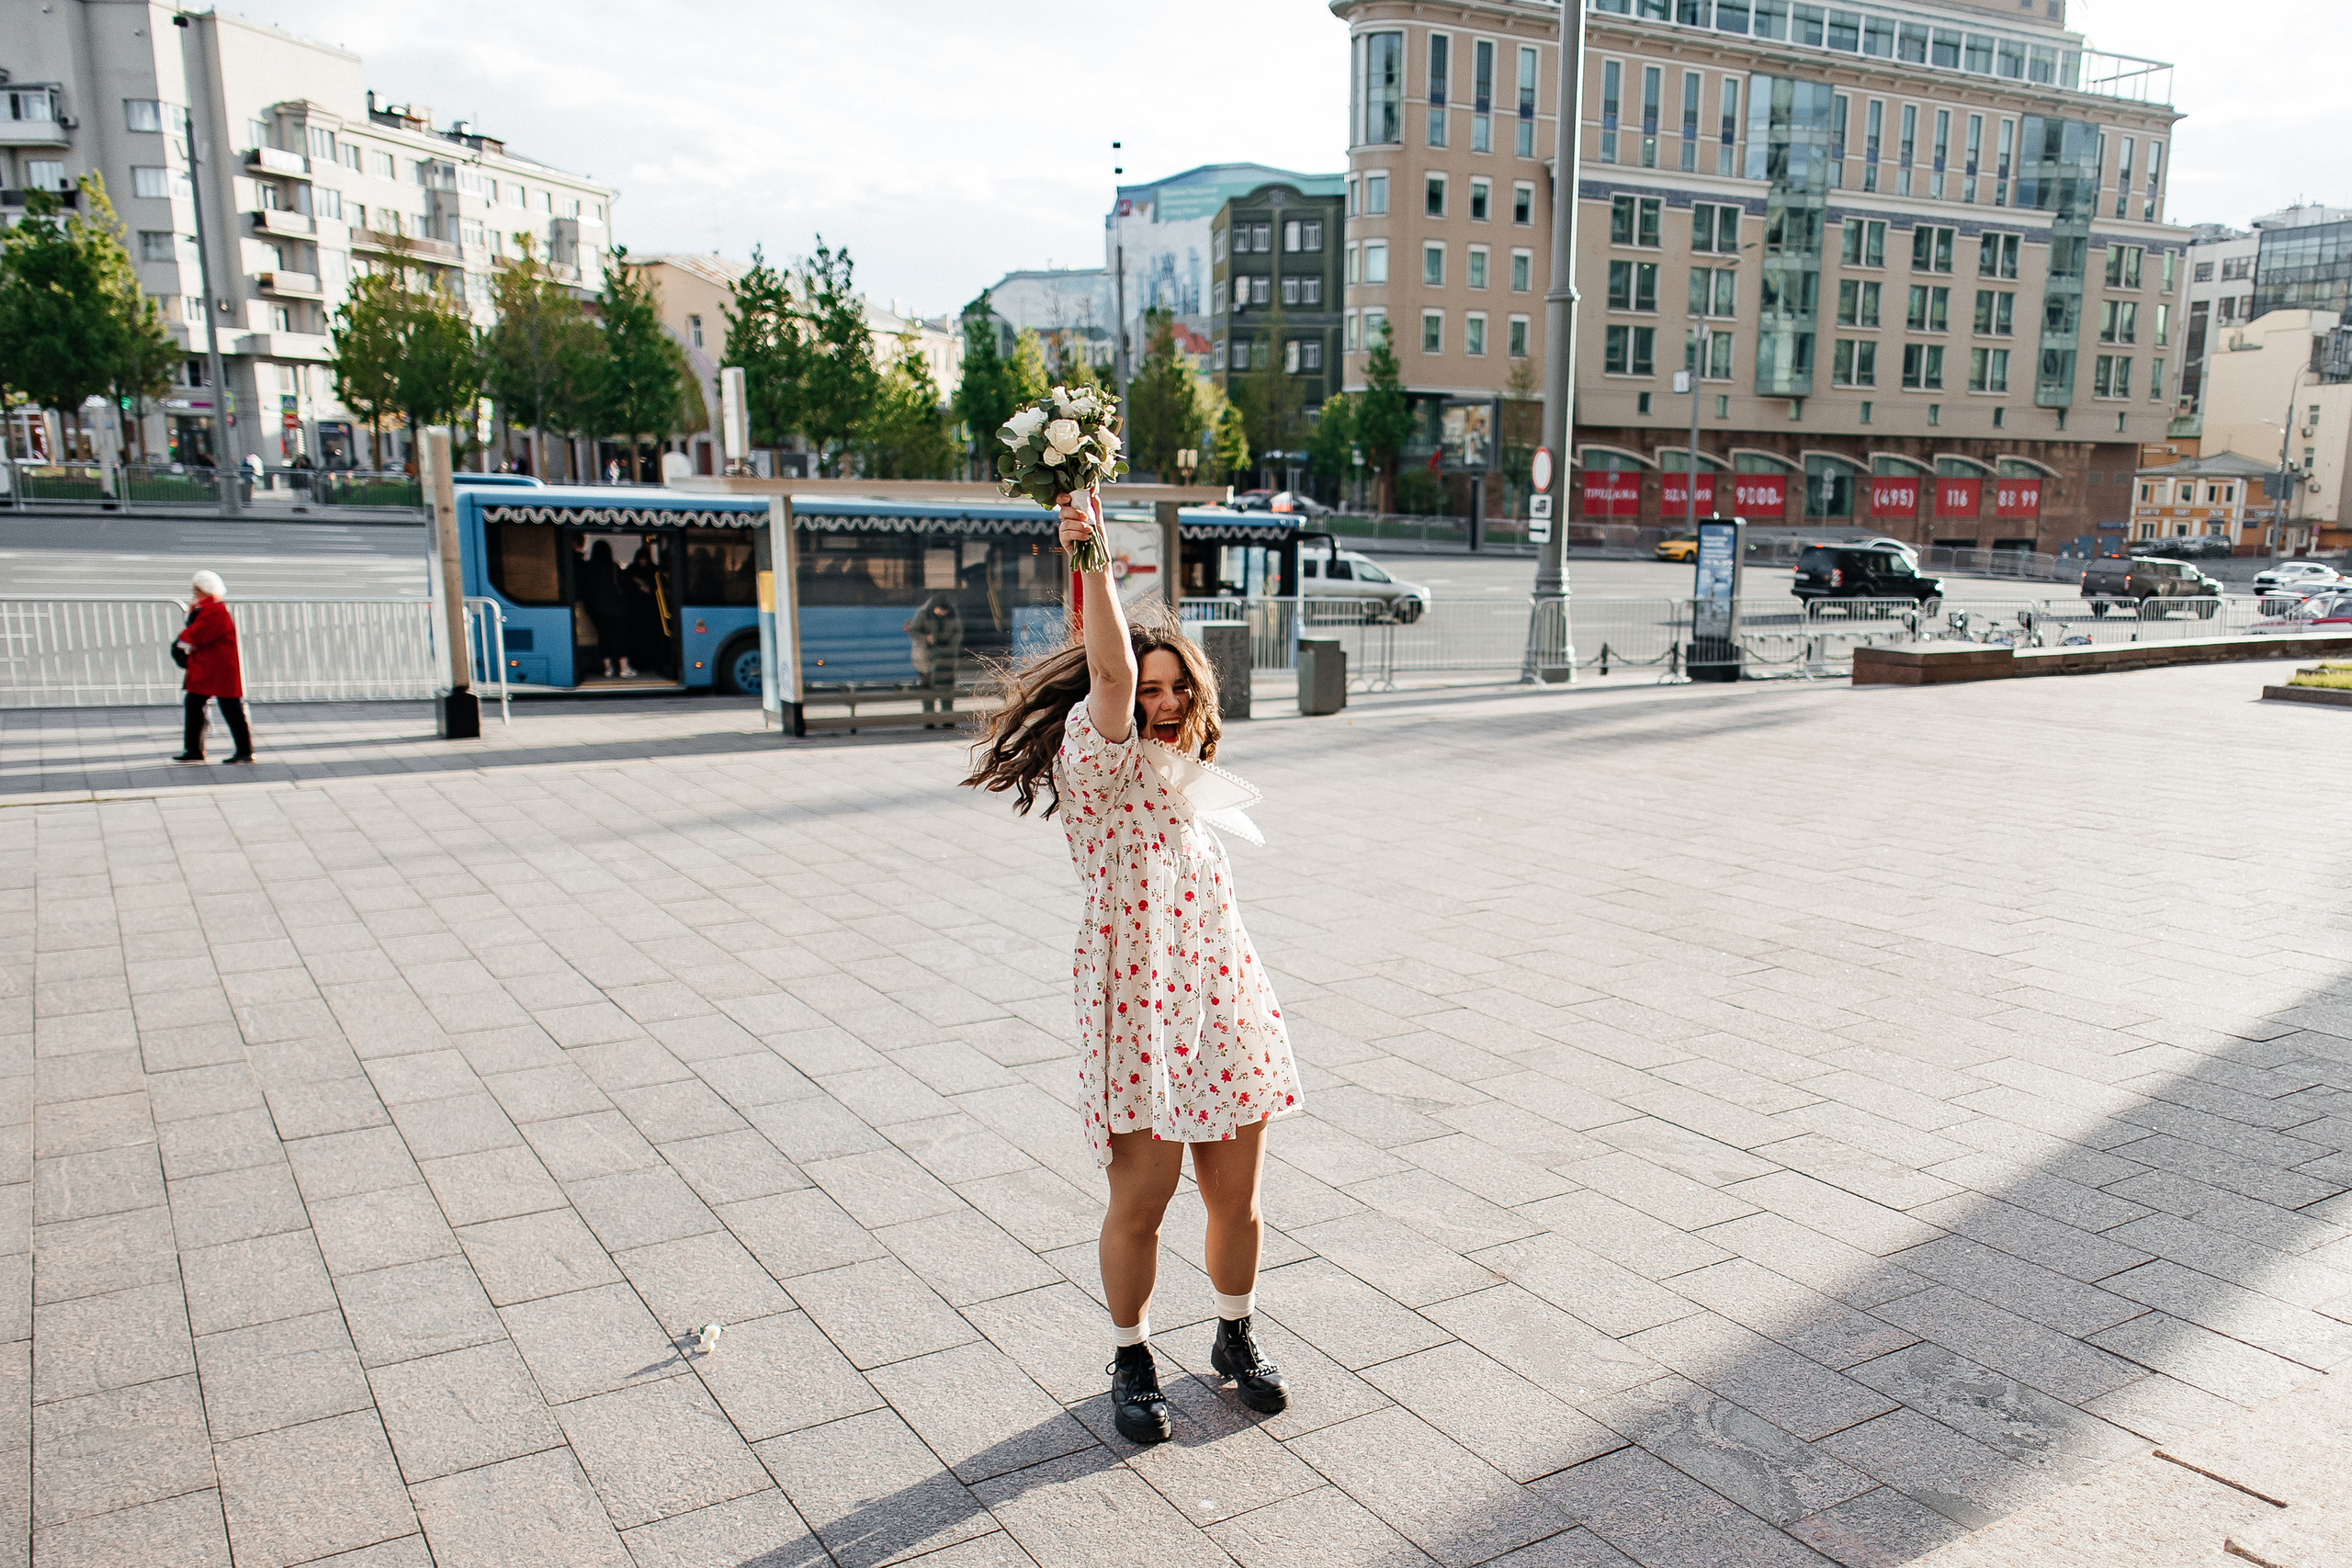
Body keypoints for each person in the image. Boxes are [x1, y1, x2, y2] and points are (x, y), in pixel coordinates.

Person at [962, 491, 1302, 1445]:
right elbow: (1106, 670)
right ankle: (1132, 1353)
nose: (1158, 703)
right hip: (1140, 1016)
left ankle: (1234, 1336)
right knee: (1140, 1203)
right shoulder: (1097, 766)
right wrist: (1096, 561)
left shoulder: (1191, 782)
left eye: (1174, 689)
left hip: (1225, 1004)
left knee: (1238, 1198)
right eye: (1147, 690)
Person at [173, 570, 254, 763]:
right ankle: (195, 749)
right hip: (211, 668)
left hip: (217, 669)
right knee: (199, 705)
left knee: (229, 708)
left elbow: (198, 634)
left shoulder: (214, 610)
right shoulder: (207, 608)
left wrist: (179, 643)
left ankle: (243, 751)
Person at [903, 592, 964, 723]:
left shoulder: (952, 613)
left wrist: (950, 646)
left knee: (947, 688)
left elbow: (958, 632)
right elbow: (913, 631)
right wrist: (926, 638)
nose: (942, 613)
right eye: (940, 611)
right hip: (925, 658)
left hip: (946, 657)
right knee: (928, 688)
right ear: (934, 607)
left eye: (945, 611)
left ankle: (948, 718)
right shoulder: (923, 613)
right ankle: (929, 718)